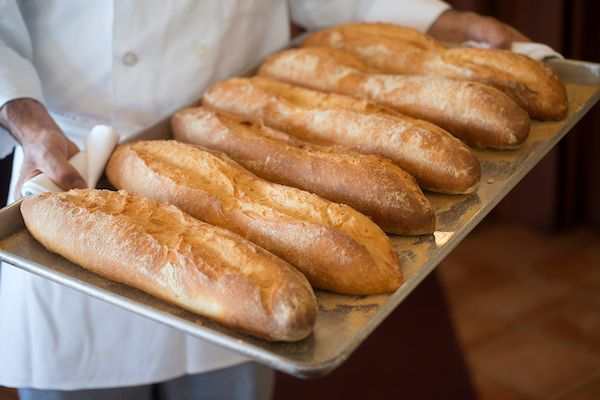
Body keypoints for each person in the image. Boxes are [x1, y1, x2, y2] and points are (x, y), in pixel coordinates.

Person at [0, 1, 530, 399]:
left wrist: (419, 16)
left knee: (236, 373)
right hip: (77, 167)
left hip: (236, 123)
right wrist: (24, 117)